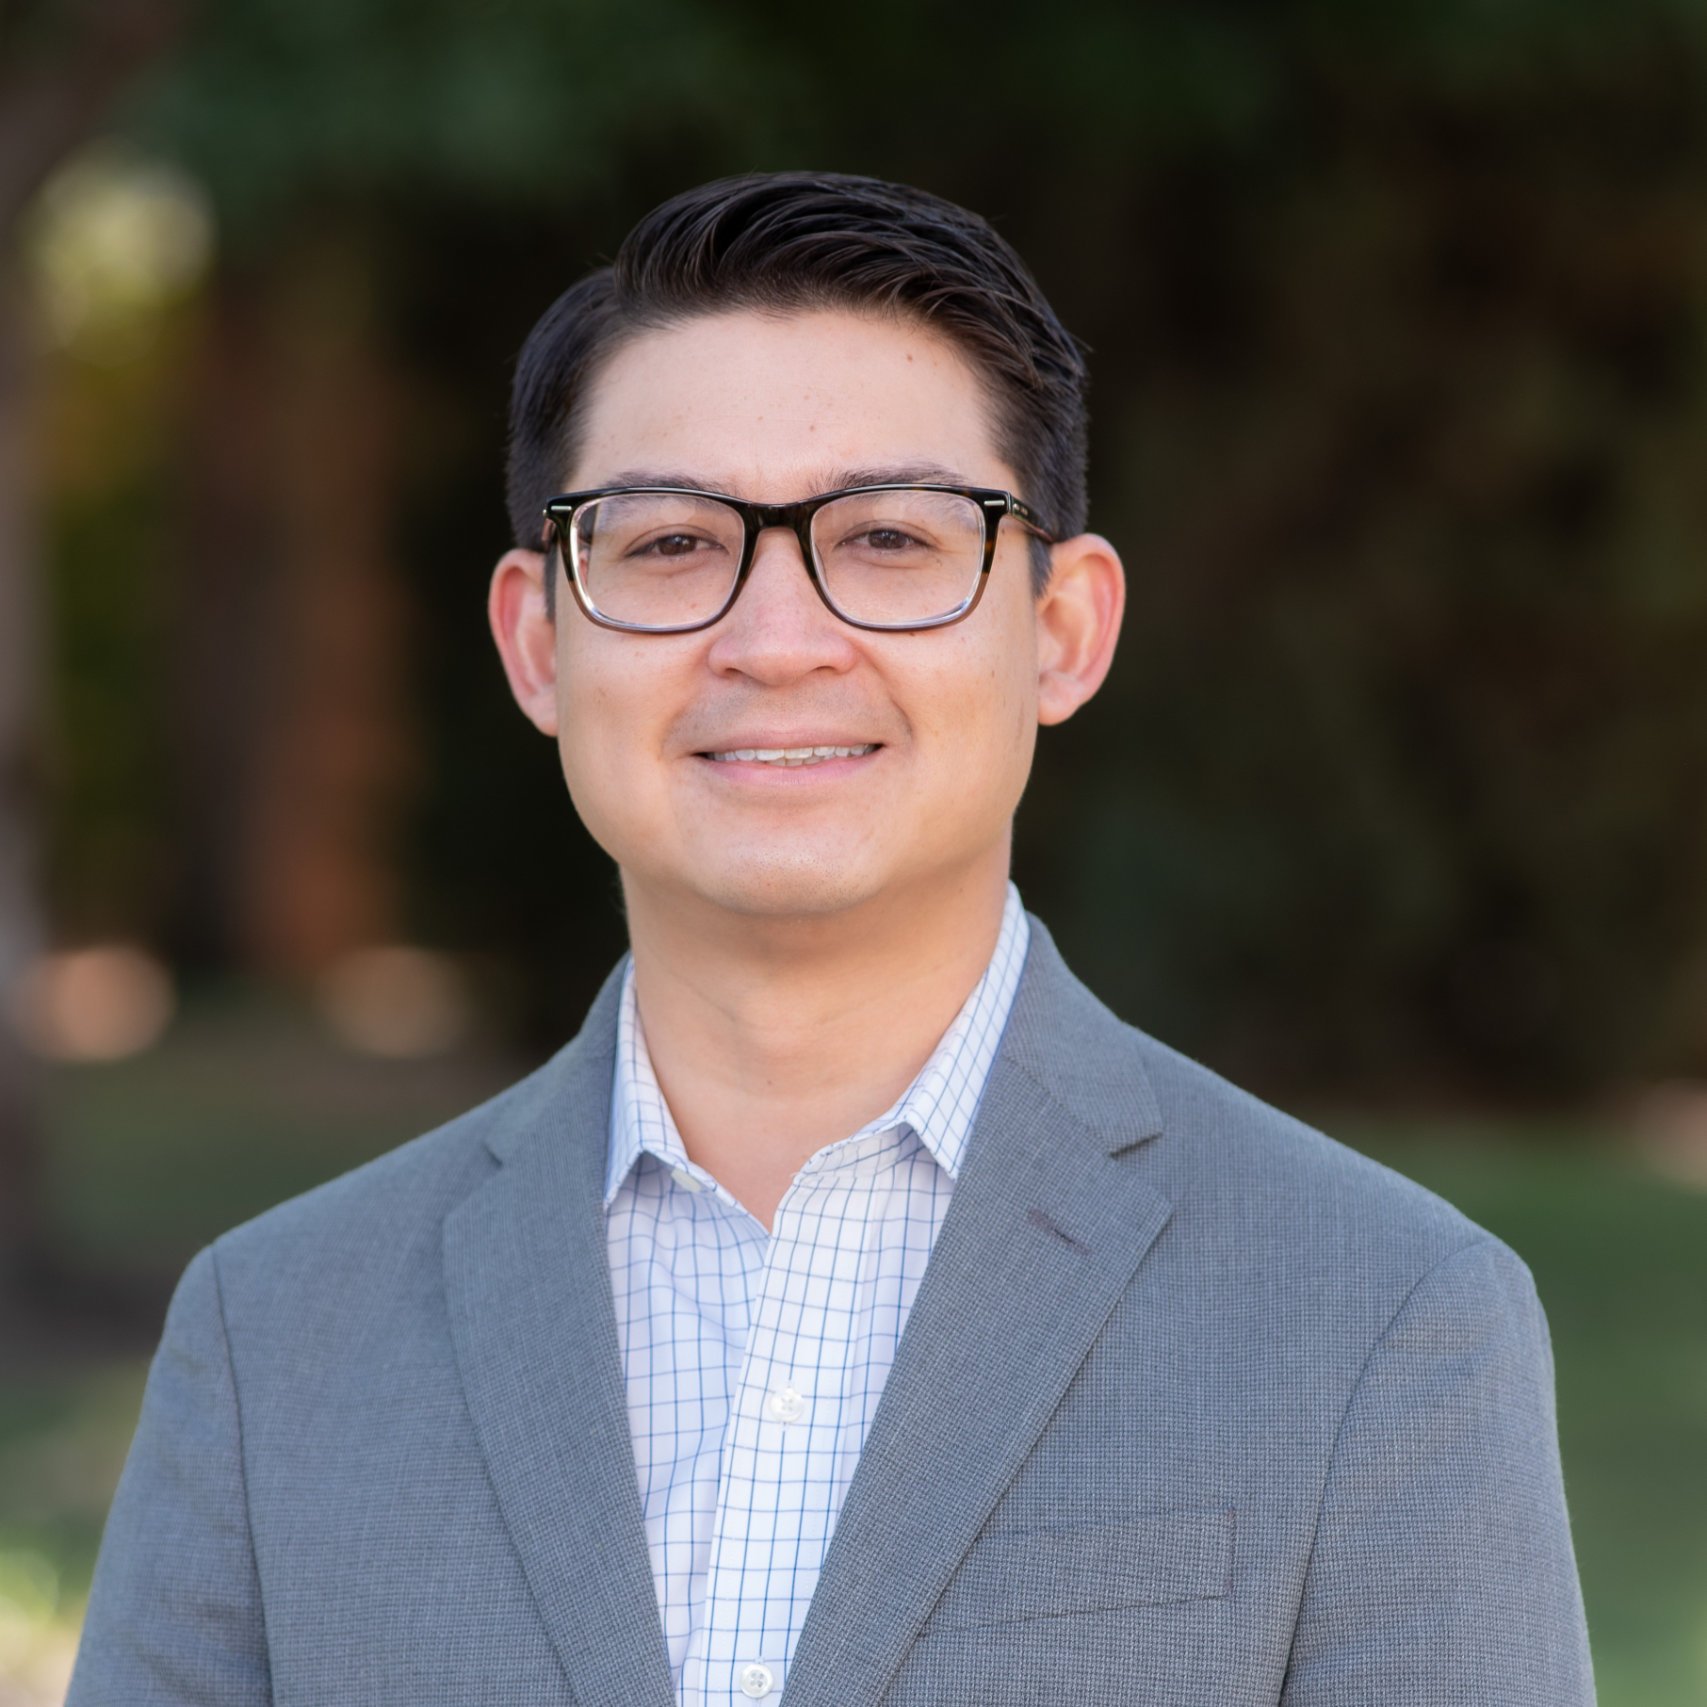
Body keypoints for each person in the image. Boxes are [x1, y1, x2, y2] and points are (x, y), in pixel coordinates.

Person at [68, 171, 1595, 1707]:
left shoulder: (1382, 1317)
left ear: (1063, 631)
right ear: (538, 642)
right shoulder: (272, 1338)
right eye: (671, 544)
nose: (778, 640)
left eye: (889, 539)